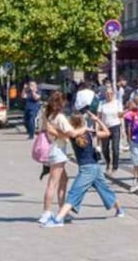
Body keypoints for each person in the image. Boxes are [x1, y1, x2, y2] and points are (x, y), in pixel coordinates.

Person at [49, 110, 124, 226]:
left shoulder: (73, 134)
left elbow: (58, 131)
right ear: (83, 121)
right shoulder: (89, 132)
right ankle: (120, 210)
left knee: (74, 193)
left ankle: (58, 219)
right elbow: (107, 132)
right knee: (105, 190)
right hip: (95, 167)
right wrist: (97, 120)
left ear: (71, 123)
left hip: (87, 169)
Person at [38, 92, 71, 224]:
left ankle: (62, 209)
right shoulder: (60, 117)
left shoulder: (48, 116)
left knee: (64, 180)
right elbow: (70, 133)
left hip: (53, 150)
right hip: (58, 151)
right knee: (52, 183)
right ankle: (46, 212)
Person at [97, 84, 123, 173]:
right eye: (107, 93)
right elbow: (98, 117)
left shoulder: (117, 103)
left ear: (114, 94)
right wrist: (97, 128)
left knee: (115, 147)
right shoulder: (102, 103)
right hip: (104, 127)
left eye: (111, 93)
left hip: (115, 126)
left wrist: (122, 129)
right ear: (105, 94)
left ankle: (115, 166)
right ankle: (108, 162)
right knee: (105, 148)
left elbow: (120, 115)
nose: (109, 95)